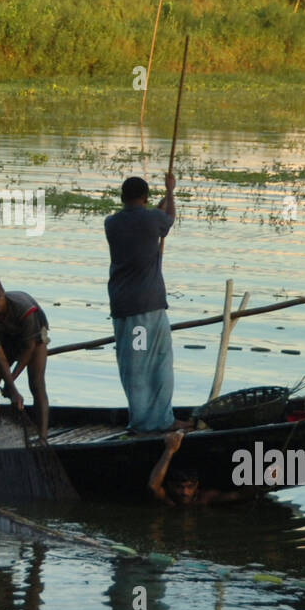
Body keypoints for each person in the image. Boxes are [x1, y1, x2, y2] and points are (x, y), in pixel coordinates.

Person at [105, 171, 189, 433]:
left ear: (122, 197)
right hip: (146, 309)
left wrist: (163, 197)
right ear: (145, 197)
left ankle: (146, 418)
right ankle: (154, 422)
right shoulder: (152, 219)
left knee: (134, 364)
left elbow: (154, 218)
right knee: (157, 361)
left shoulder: (111, 222)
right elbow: (168, 220)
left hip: (122, 306)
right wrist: (171, 191)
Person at [0, 275, 50, 440]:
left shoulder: (25, 308)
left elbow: (29, 348)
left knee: (36, 383)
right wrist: (11, 387)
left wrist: (12, 382)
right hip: (7, 337)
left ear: (3, 294)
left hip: (34, 338)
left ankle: (43, 437)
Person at [148, 431, 249, 505]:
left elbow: (240, 495)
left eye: (190, 486)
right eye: (179, 487)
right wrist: (169, 450)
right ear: (170, 486)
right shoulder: (167, 498)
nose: (185, 493)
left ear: (197, 486)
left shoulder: (203, 498)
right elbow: (153, 487)